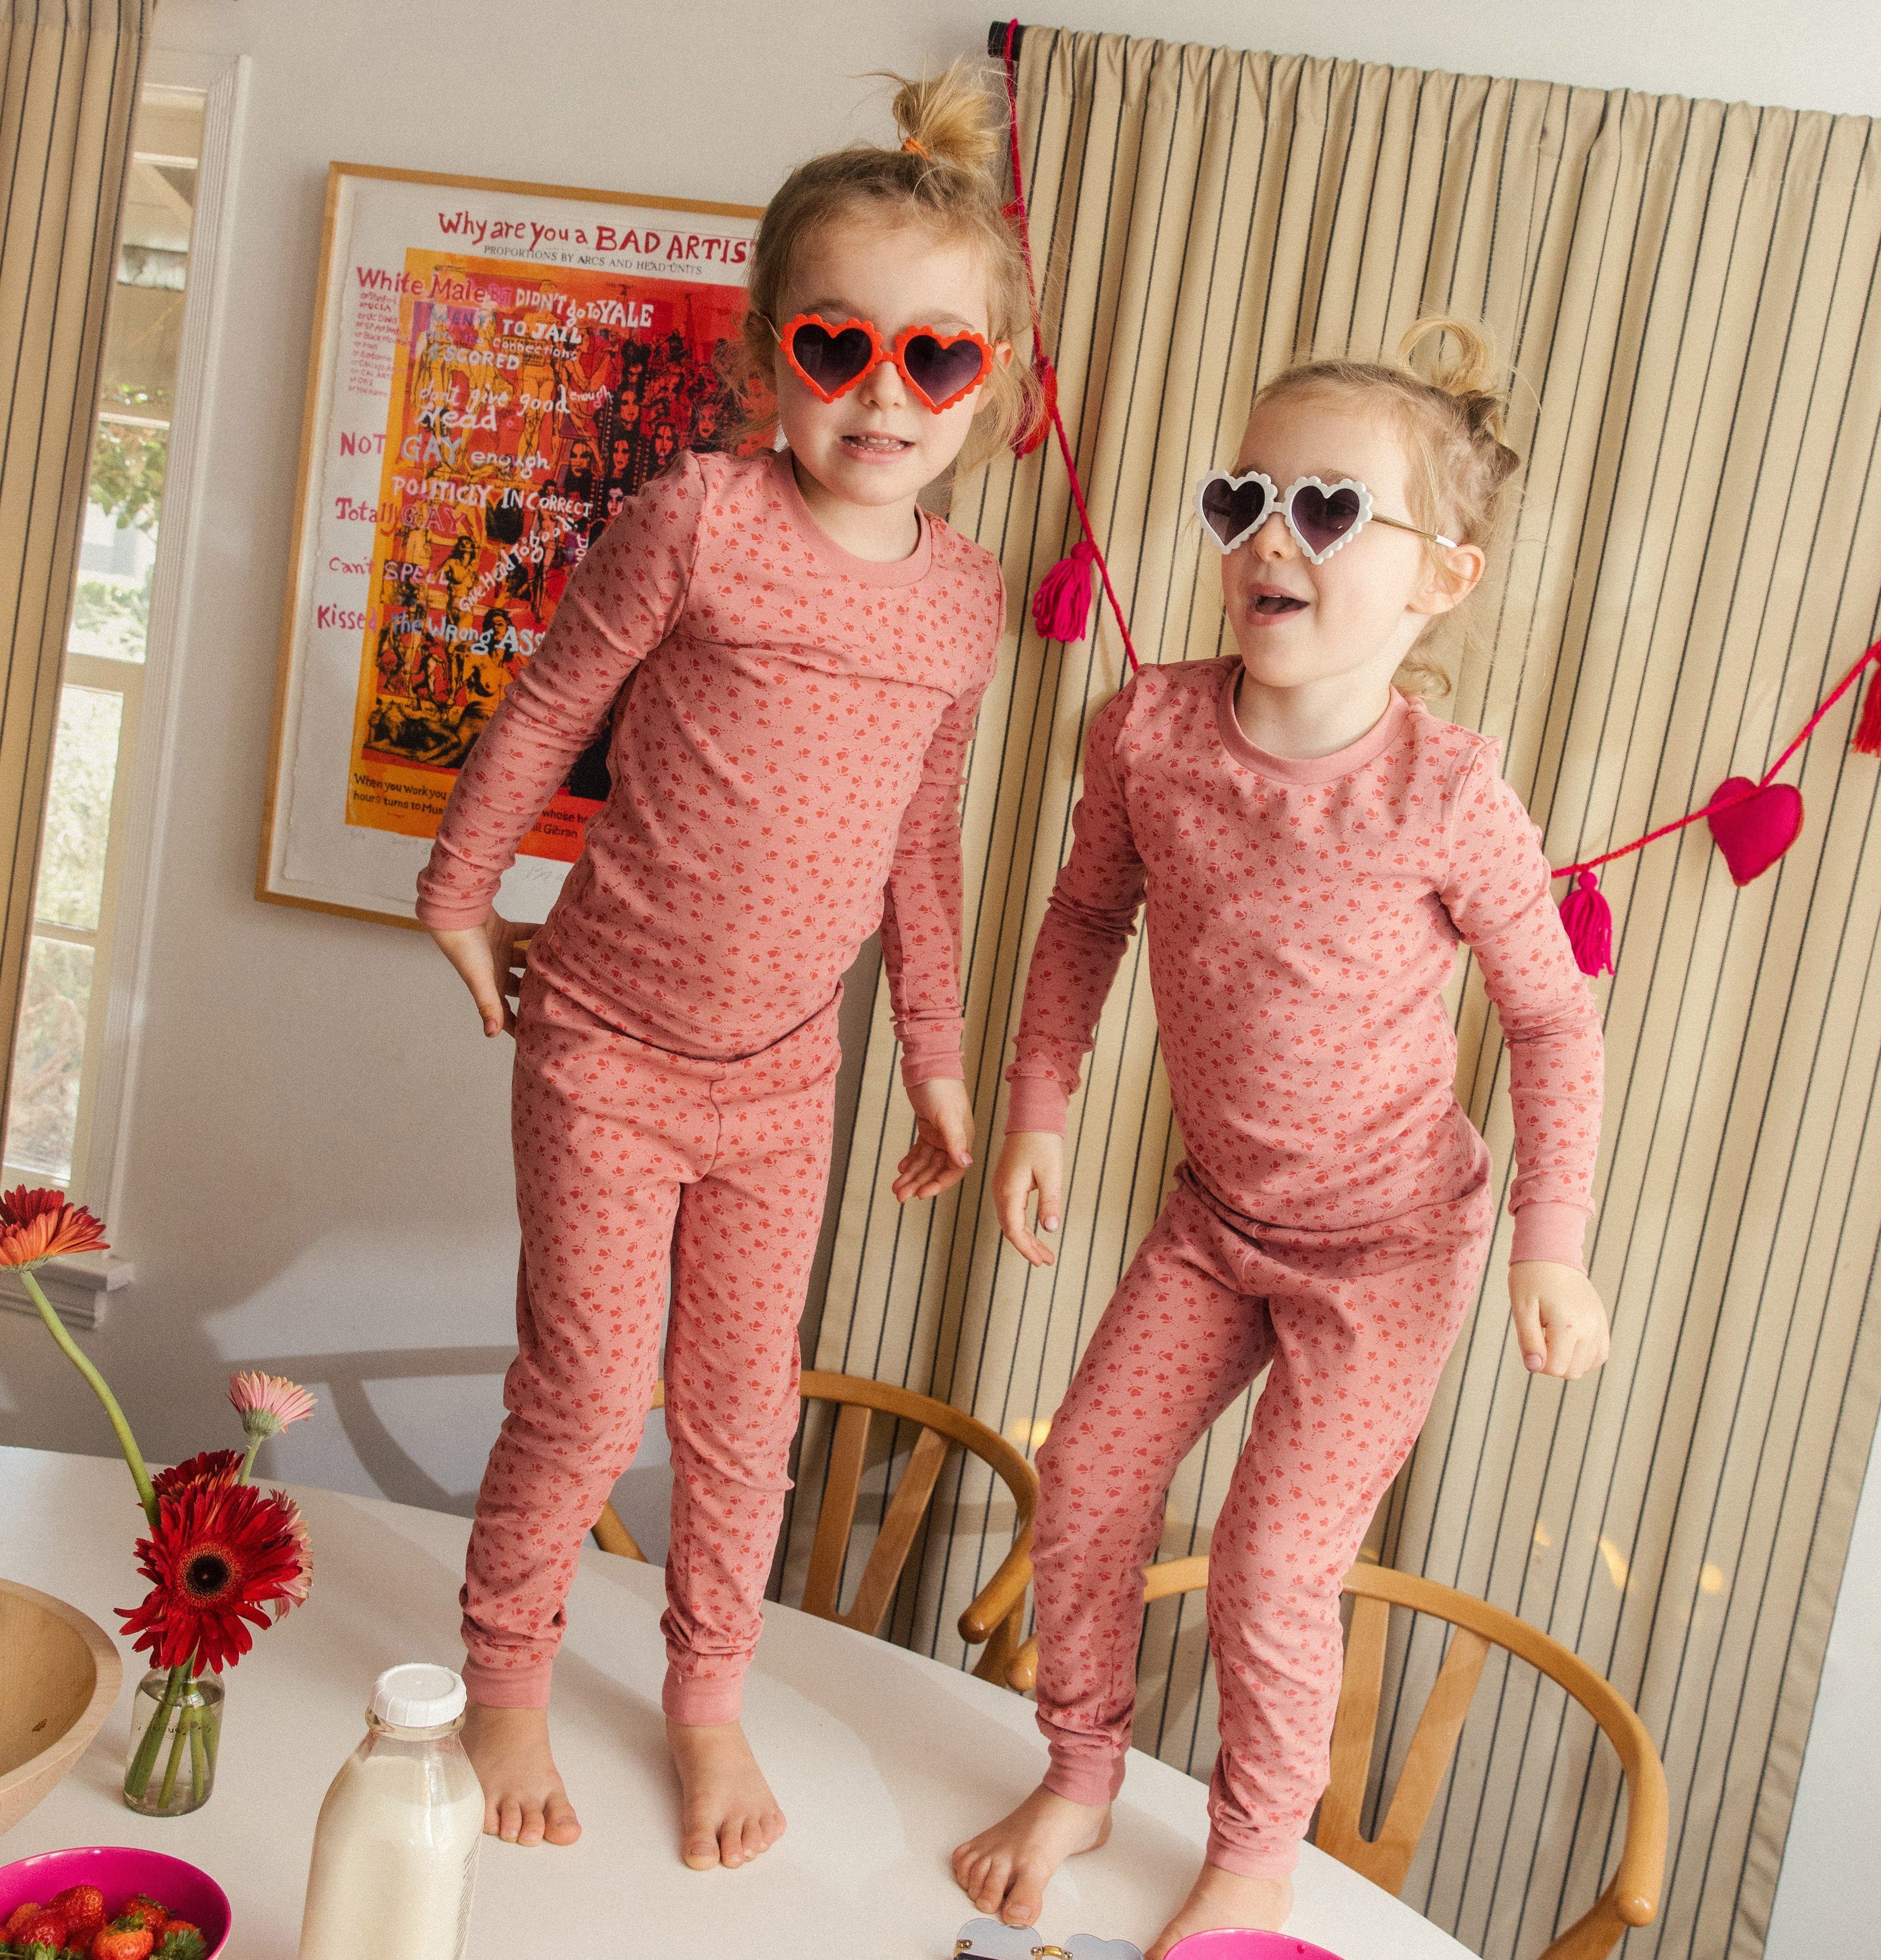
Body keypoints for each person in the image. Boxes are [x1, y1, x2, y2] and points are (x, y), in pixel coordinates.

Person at [415, 63, 1039, 1875]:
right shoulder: (698, 518)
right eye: (840, 347)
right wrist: (457, 891)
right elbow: (550, 706)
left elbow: (920, 843)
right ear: (772, 351)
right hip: (606, 1040)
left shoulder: (961, 598)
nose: (882, 395)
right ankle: (508, 1672)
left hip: (786, 1075)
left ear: (983, 389)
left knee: (748, 1410)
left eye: (937, 358)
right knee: (591, 1392)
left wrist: (934, 1052)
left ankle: (707, 1698)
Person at [951, 319, 1609, 1959]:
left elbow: (1552, 1022)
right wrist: (1041, 1101)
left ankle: (1251, 1854)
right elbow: (1083, 914)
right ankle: (1082, 1766)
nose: (1265, 537)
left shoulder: (1450, 795)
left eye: (1326, 510)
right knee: (1086, 1476)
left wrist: (1552, 1241)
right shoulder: (1150, 731)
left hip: (1391, 1247)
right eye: (1243, 494)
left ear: (1435, 578)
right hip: (1212, 1217)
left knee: (1264, 1561)